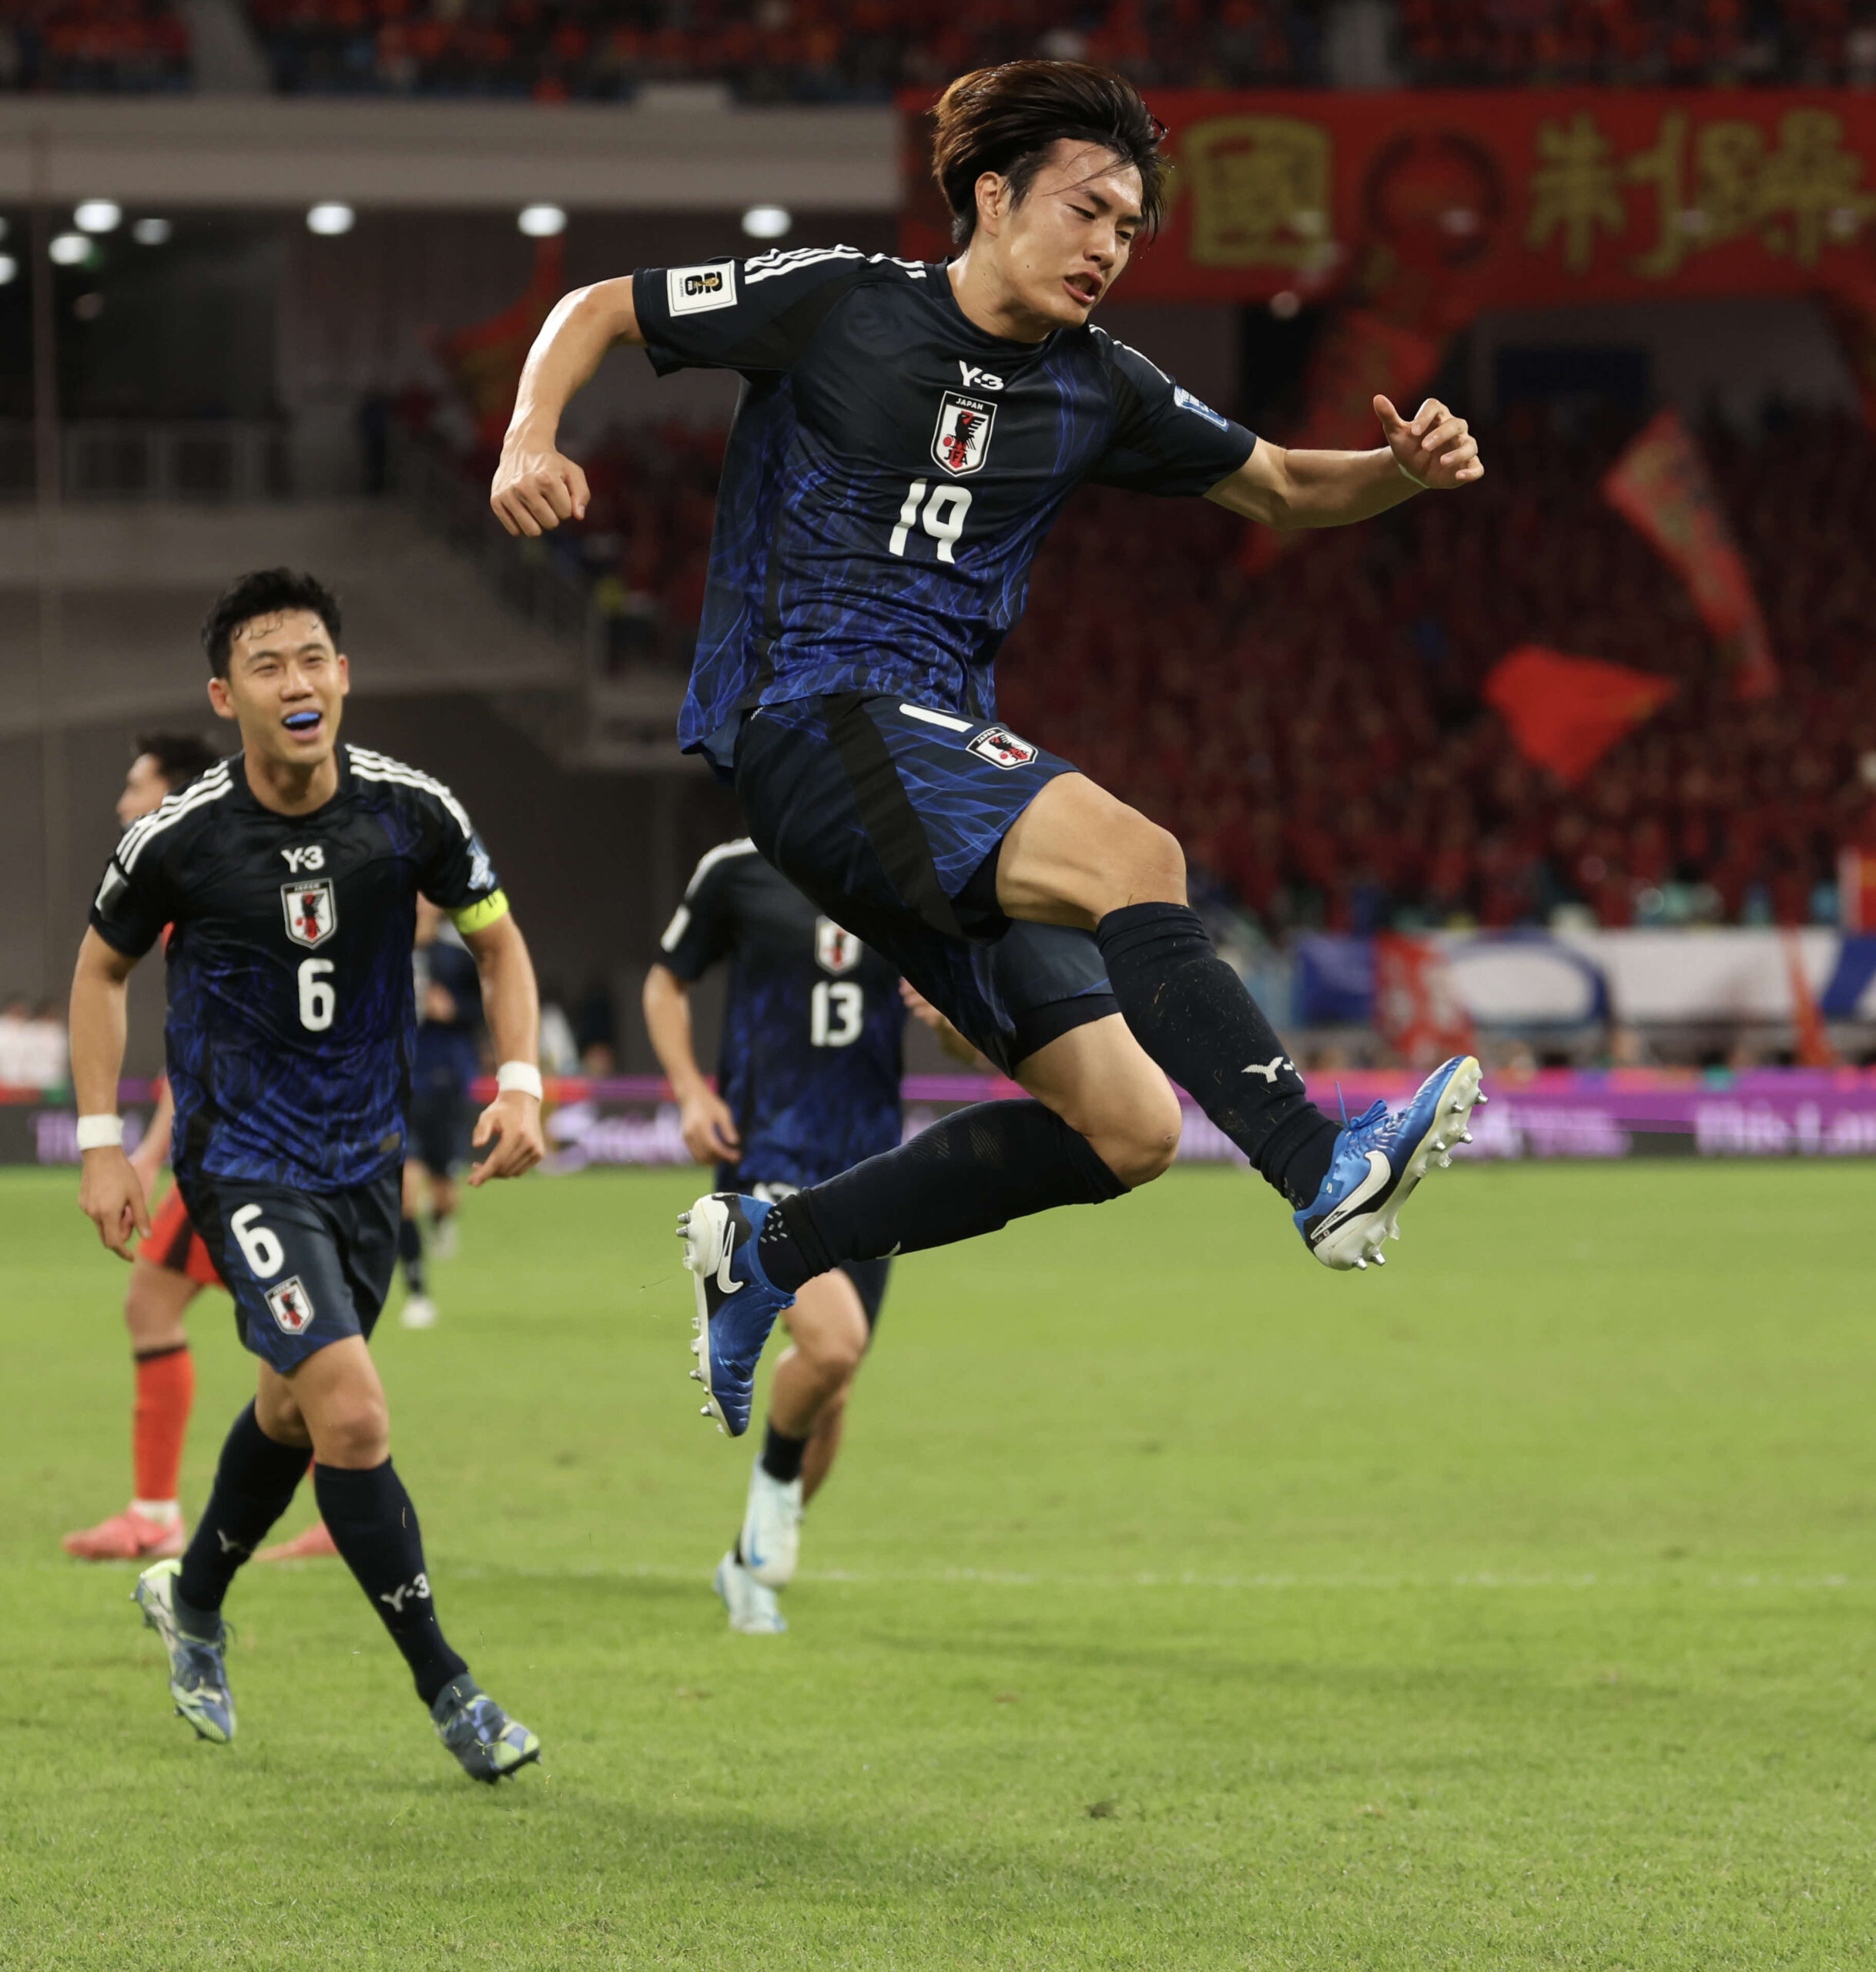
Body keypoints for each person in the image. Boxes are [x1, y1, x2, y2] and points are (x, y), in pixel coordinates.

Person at [491, 60, 1489, 1440]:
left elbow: (1276, 484)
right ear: (993, 195)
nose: (1108, 247)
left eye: (1129, 228)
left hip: (933, 748)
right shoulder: (839, 302)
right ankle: (1320, 1166)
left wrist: (1399, 473)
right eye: (1086, 210)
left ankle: (770, 1249)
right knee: (1137, 855)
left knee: (1130, 1130)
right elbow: (600, 306)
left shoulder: (1099, 384)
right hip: (813, 713)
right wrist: (527, 436)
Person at [71, 567, 546, 1783]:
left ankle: (192, 1597)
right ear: (225, 696)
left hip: (364, 1167)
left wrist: (521, 1082)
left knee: (293, 1410)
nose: (298, 682)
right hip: (243, 1167)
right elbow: (99, 971)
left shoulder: (412, 811)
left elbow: (498, 944)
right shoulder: (179, 837)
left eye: (314, 659)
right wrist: (101, 1141)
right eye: (268, 664)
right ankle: (452, 1692)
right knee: (354, 1412)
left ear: (345, 675)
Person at [644, 840, 1010, 1632]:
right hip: (765, 1159)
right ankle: (773, 1497)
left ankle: (745, 1565)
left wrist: (950, 1022)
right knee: (836, 1345)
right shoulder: (737, 870)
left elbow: (971, 1044)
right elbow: (665, 981)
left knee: (832, 1386)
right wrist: (689, 1092)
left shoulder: (907, 875)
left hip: (874, 1172)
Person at [64, 733, 226, 1564]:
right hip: (246, 1134)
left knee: (292, 1336)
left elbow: (211, 1042)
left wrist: (150, 1152)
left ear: (169, 795)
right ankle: (350, 1510)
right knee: (294, 1332)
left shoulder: (203, 883)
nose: (123, 803)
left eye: (136, 787)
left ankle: (159, 1513)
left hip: (243, 1144)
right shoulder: (195, 881)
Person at [397, 895, 485, 1330]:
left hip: (445, 1085)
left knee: (445, 1191)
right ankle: (417, 1293)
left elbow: (487, 1006)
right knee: (403, 1191)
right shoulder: (383, 949)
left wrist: (453, 1011)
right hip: (395, 1087)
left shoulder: (456, 955)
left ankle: (443, 1218)